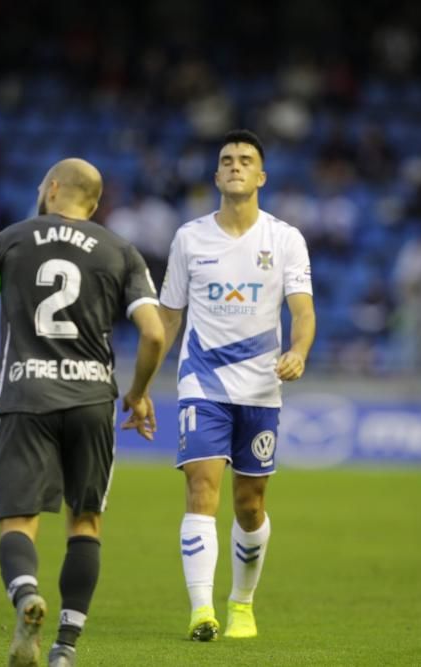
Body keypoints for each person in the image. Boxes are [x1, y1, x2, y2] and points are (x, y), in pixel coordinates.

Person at [0, 158, 165, 667]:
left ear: (50, 189)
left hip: (26, 397)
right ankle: (65, 650)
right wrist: (137, 393)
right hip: (93, 401)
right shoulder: (121, 251)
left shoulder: (11, 240)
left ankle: (26, 596)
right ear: (95, 203)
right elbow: (154, 334)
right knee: (85, 523)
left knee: (18, 521)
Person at [156, 129, 316, 641]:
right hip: (202, 384)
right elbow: (169, 317)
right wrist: (141, 382)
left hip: (261, 389)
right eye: (226, 160)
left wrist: (298, 351)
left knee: (250, 504)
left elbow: (303, 311)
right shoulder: (189, 238)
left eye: (246, 160)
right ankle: (201, 611)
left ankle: (241, 603)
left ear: (261, 176)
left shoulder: (285, 238)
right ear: (215, 175)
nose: (235, 166)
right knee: (202, 488)